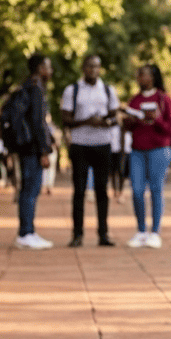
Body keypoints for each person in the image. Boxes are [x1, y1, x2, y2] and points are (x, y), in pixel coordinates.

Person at [60, 55, 119, 247]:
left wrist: (104, 122)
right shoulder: (72, 90)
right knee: (79, 191)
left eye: (97, 66)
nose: (94, 70)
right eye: (90, 66)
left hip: (102, 144)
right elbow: (65, 119)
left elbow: (115, 117)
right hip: (80, 145)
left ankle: (103, 234)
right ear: (83, 68)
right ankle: (77, 234)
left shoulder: (108, 90)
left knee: (102, 191)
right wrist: (87, 121)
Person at [123, 64, 171, 248]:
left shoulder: (163, 99)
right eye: (138, 75)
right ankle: (140, 231)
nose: (140, 78)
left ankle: (155, 232)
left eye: (143, 75)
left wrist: (156, 118)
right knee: (137, 190)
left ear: (153, 77)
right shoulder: (135, 100)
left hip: (159, 150)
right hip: (137, 150)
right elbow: (129, 127)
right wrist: (129, 122)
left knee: (156, 189)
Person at [14, 53, 54, 249]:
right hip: (32, 148)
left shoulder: (26, 86)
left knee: (28, 190)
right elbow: (38, 123)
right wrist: (44, 150)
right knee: (31, 190)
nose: (51, 71)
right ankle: (26, 233)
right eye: (48, 67)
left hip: (26, 146)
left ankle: (28, 231)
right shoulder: (36, 89)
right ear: (40, 68)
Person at [109, 117, 128, 204]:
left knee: (121, 171)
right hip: (110, 152)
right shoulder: (108, 128)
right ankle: (114, 189)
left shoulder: (121, 128)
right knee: (112, 172)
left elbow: (123, 140)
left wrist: (123, 151)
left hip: (120, 152)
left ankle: (120, 190)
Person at [42, 112, 59, 196]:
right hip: (45, 150)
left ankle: (48, 186)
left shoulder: (52, 127)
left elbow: (56, 140)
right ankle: (46, 186)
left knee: (50, 169)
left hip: (51, 150)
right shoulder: (43, 126)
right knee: (46, 169)